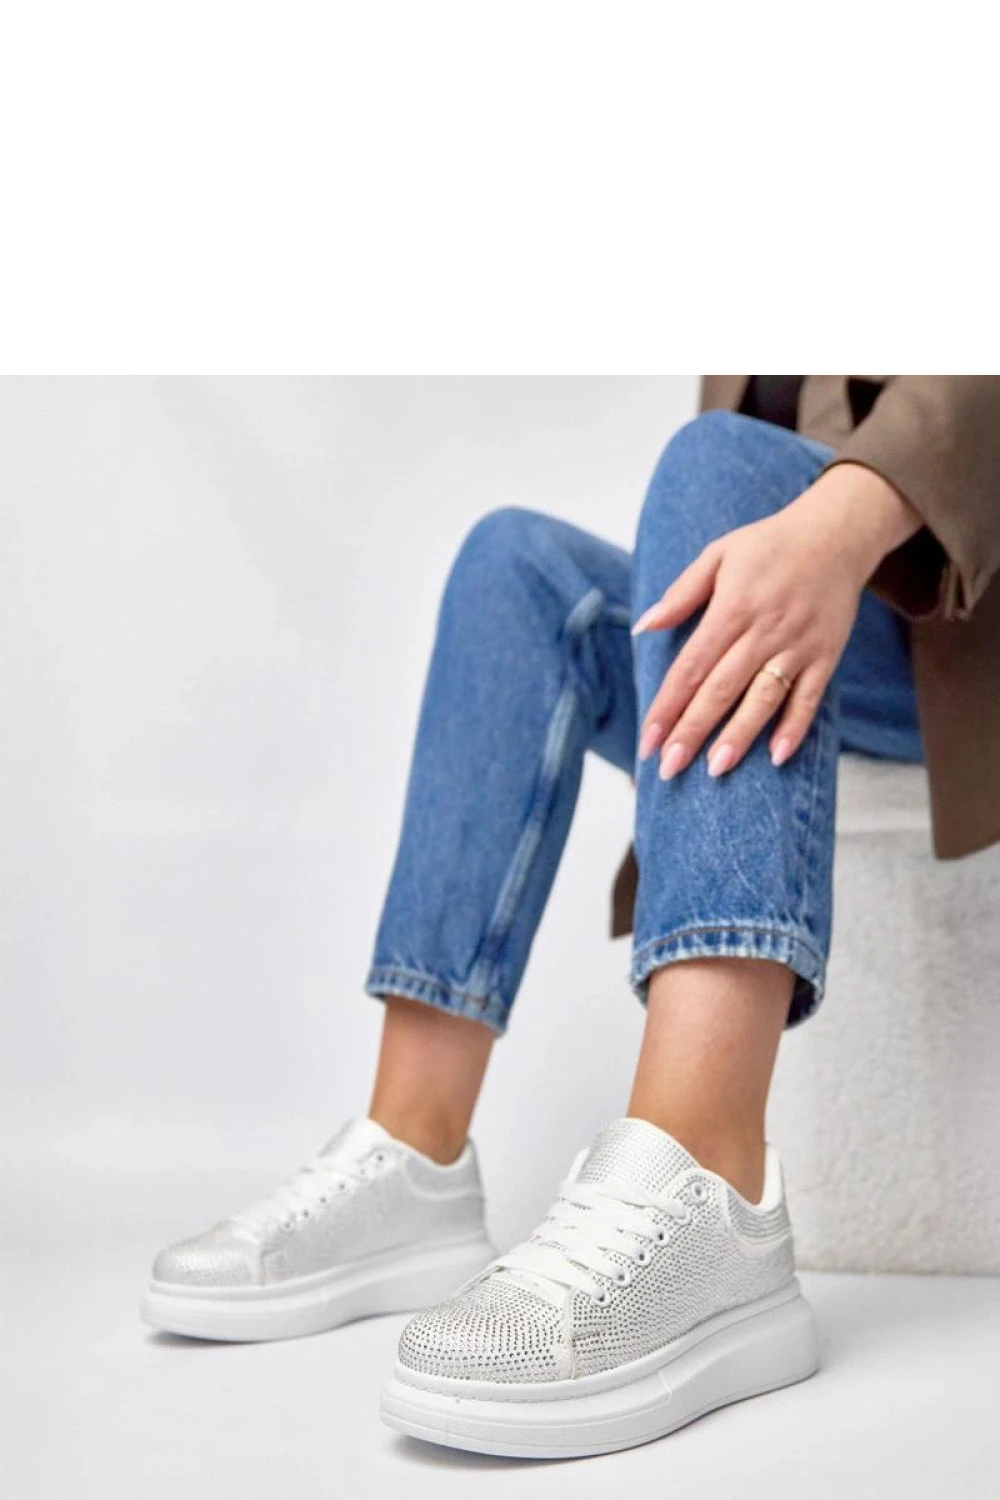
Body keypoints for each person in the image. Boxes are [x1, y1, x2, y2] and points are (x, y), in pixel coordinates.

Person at [143, 376, 1000, 1459]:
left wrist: (837, 526)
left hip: (967, 616)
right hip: (866, 631)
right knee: (516, 567)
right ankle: (412, 1153)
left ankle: (706, 1176)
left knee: (720, 465)